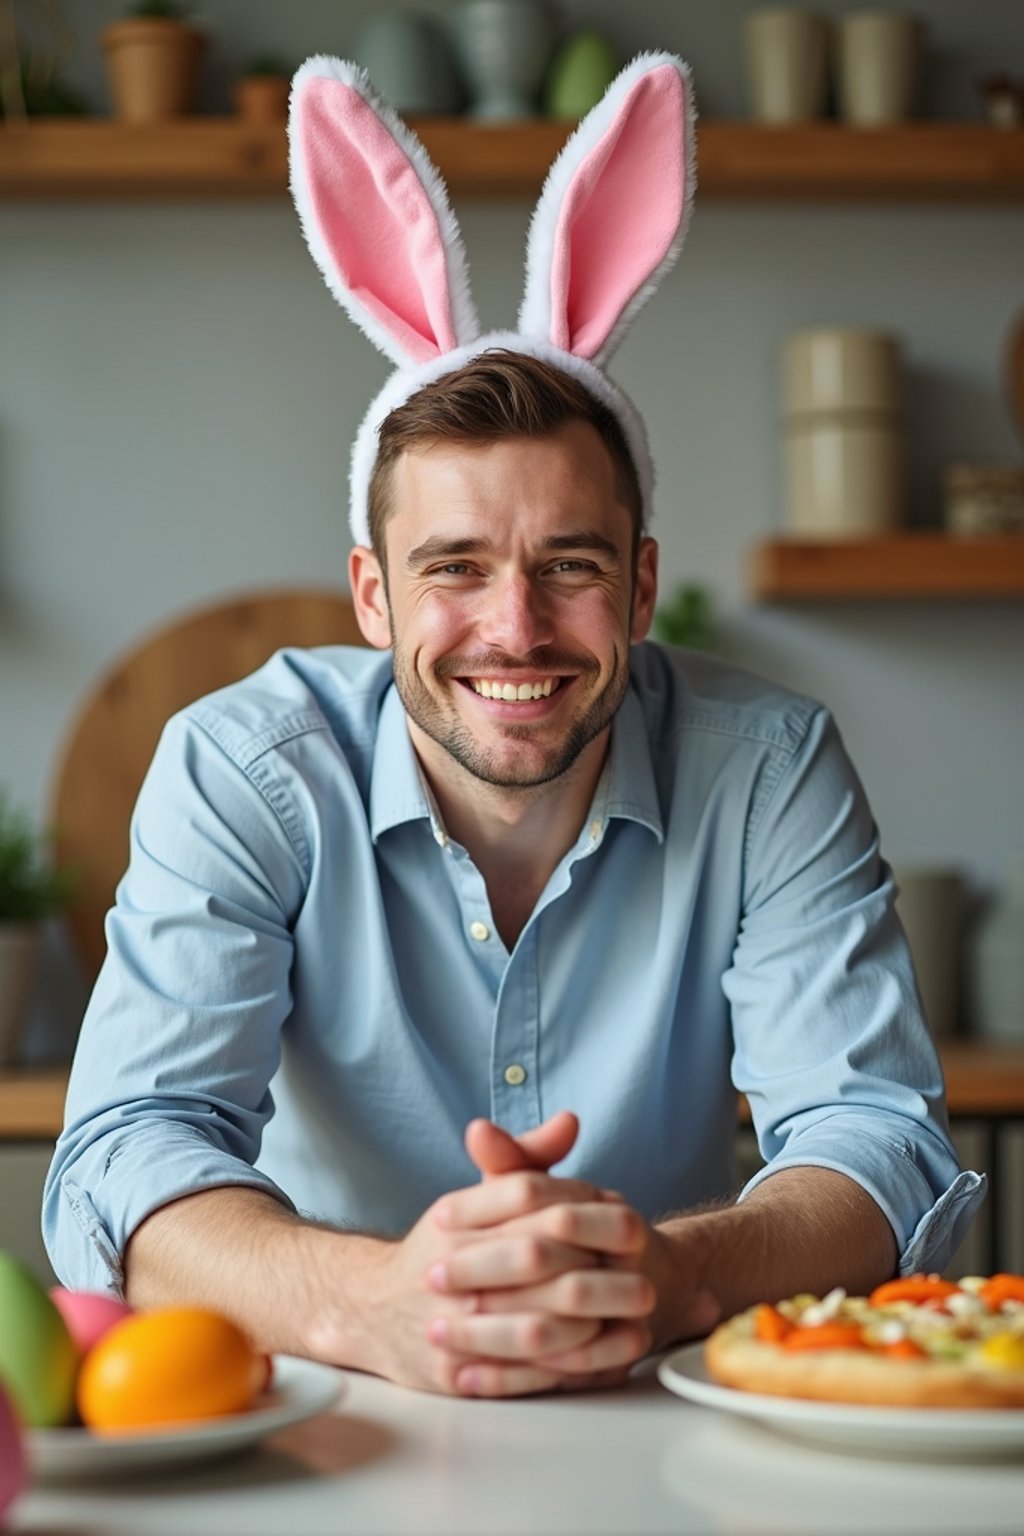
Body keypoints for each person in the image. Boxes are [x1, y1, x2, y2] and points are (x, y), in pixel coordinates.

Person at [44, 53, 983, 1399]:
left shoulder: (768, 766)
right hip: (332, 1413)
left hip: (663, 1414)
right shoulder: (239, 767)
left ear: (643, 585)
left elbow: (877, 1142)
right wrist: (378, 1299)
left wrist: (672, 1273)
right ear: (372, 595)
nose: (517, 629)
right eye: (455, 569)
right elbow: (128, 1157)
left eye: (573, 566)